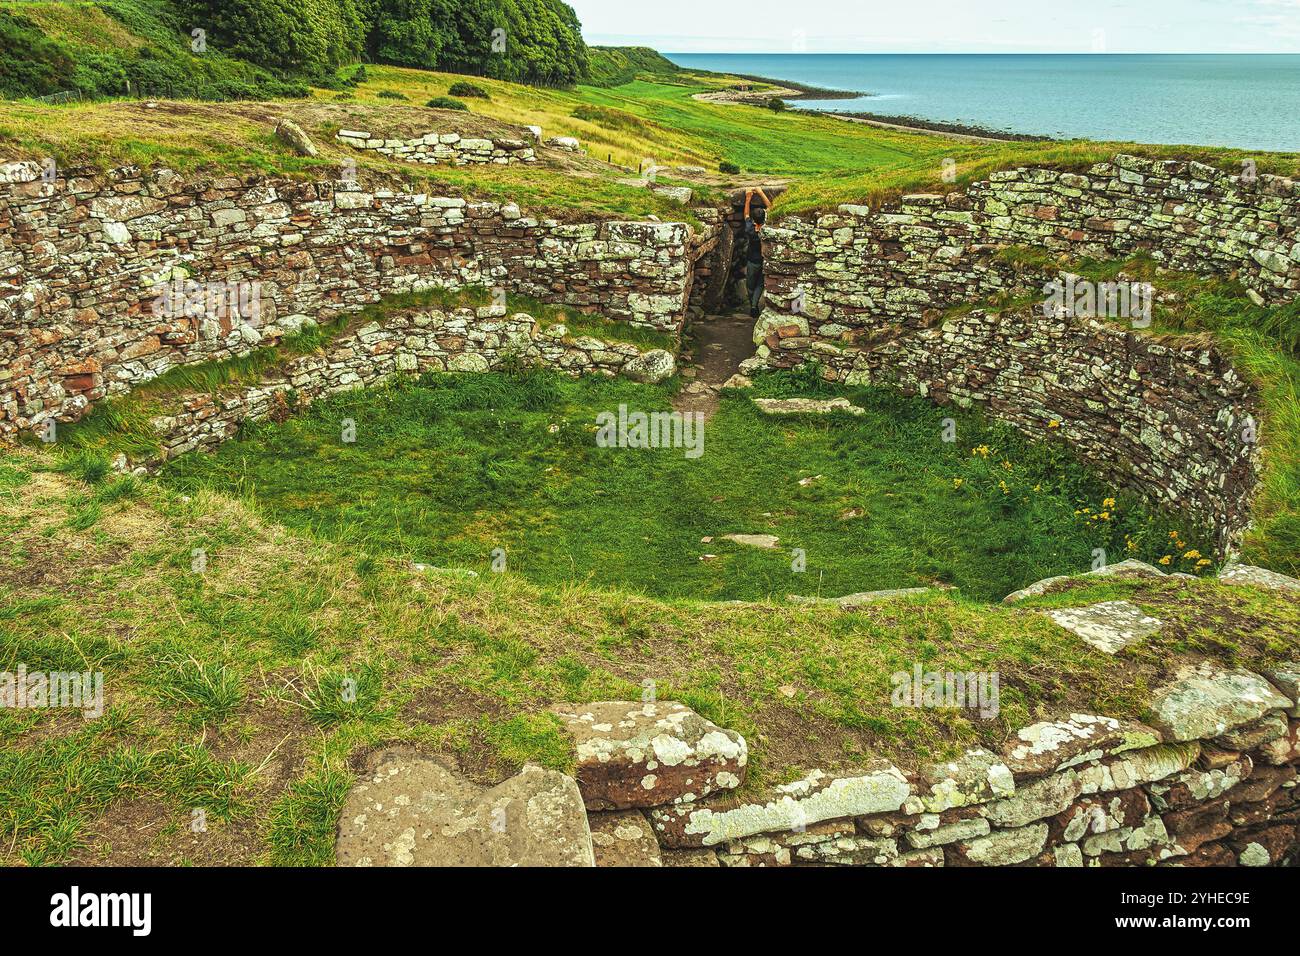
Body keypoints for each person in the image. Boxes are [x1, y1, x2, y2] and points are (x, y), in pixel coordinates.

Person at [742, 187, 771, 319]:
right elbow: (771, 207)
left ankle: (752, 305)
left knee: (750, 284)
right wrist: (760, 192)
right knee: (760, 283)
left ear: (754, 220)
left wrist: (748, 198)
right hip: (764, 260)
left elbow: (746, 215)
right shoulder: (767, 228)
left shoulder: (749, 229)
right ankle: (754, 305)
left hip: (752, 261)